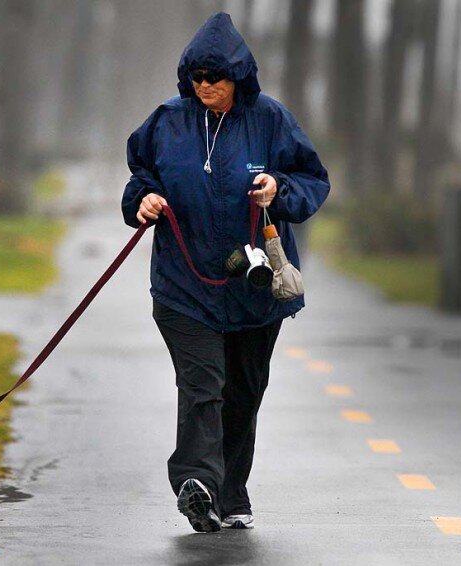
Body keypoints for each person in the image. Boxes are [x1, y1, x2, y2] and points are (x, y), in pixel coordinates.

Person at [121, 12, 330, 533]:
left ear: (239, 77)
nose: (204, 86)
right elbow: (140, 174)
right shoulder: (167, 122)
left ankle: (231, 492)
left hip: (256, 288)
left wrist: (278, 189)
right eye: (196, 78)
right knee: (203, 383)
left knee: (243, 389)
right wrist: (143, 199)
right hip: (183, 286)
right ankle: (197, 484)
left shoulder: (272, 120)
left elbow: (313, 180)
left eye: (214, 78)